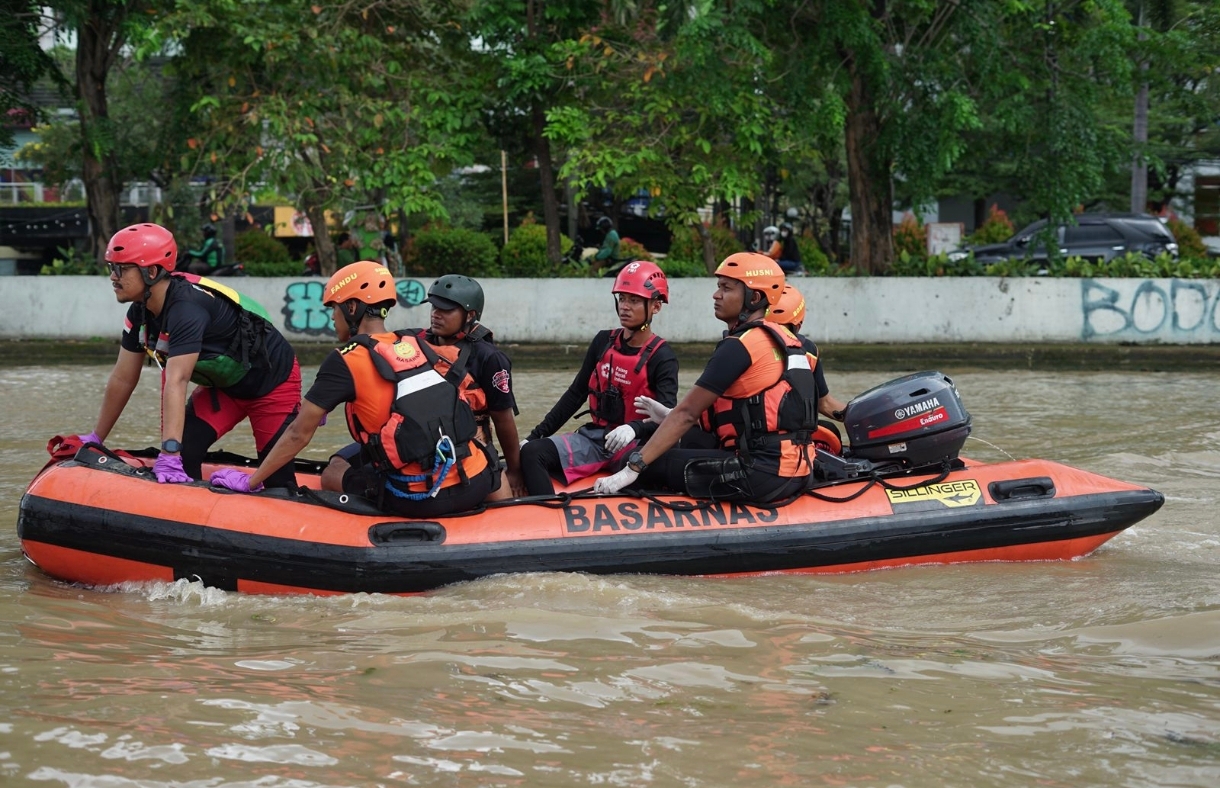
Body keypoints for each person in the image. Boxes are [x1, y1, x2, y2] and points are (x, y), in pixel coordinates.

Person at [211, 261, 497, 516]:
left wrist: (252, 480)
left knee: (333, 472)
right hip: (476, 480)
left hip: (421, 499)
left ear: (351, 308)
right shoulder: (416, 341)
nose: (331, 318)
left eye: (334, 309)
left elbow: (298, 433)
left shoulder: (345, 359)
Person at [77, 222, 301, 486]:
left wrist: (169, 453)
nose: (113, 277)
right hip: (226, 387)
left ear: (151, 271)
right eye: (111, 267)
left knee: (277, 482)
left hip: (273, 384)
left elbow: (177, 380)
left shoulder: (187, 310)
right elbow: (123, 378)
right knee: (184, 455)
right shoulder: (140, 312)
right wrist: (97, 438)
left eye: (121, 269)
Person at [594, 253, 822, 504]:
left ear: (754, 298)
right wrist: (668, 415)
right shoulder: (791, 341)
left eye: (726, 288)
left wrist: (633, 468)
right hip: (798, 469)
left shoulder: (740, 345)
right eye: (718, 287)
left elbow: (687, 414)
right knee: (688, 439)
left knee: (639, 459)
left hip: (759, 474)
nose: (716, 295)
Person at [519, 261, 679, 496]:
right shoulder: (603, 342)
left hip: (635, 445)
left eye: (634, 300)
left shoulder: (663, 357)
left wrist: (633, 428)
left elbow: (669, 419)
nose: (625, 307)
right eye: (622, 299)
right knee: (532, 453)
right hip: (596, 439)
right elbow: (575, 395)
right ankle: (549, 513)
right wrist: (534, 436)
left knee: (647, 467)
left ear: (656, 306)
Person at [416, 274, 526, 499]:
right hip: (422, 446)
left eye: (446, 310)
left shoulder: (490, 358)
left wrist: (514, 471)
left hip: (473, 448)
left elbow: (503, 420)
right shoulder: (415, 346)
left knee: (502, 501)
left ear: (470, 315)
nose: (436, 314)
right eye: (434, 307)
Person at [766, 284, 848, 420]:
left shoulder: (809, 351)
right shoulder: (740, 346)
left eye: (782, 329)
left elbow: (824, 403)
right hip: (757, 430)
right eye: (769, 329)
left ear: (796, 328)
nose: (777, 335)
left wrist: (862, 418)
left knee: (830, 429)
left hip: (794, 430)